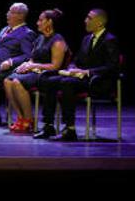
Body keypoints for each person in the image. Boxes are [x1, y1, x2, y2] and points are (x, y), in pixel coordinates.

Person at [35, 9, 120, 141]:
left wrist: (87, 72)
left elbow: (113, 66)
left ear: (100, 23)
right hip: (80, 79)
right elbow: (77, 60)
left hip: (99, 81)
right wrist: (72, 68)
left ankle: (70, 128)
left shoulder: (110, 40)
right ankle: (48, 125)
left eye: (89, 18)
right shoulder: (86, 39)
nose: (85, 21)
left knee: (66, 83)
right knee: (49, 80)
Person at [3, 8, 68, 133]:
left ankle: (29, 119)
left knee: (17, 82)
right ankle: (20, 117)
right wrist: (25, 65)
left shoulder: (58, 40)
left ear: (49, 22)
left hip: (47, 74)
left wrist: (33, 66)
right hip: (35, 71)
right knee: (7, 80)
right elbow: (32, 58)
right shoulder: (40, 38)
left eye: (40, 20)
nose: (37, 23)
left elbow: (56, 65)